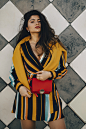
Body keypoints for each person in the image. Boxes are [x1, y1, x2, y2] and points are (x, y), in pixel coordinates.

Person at [9, 10, 67, 129]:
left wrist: (50, 74)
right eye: (32, 21)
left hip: (49, 95)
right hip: (27, 95)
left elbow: (62, 70)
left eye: (39, 21)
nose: (37, 23)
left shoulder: (54, 45)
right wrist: (20, 87)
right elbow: (13, 72)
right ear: (27, 27)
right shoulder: (21, 47)